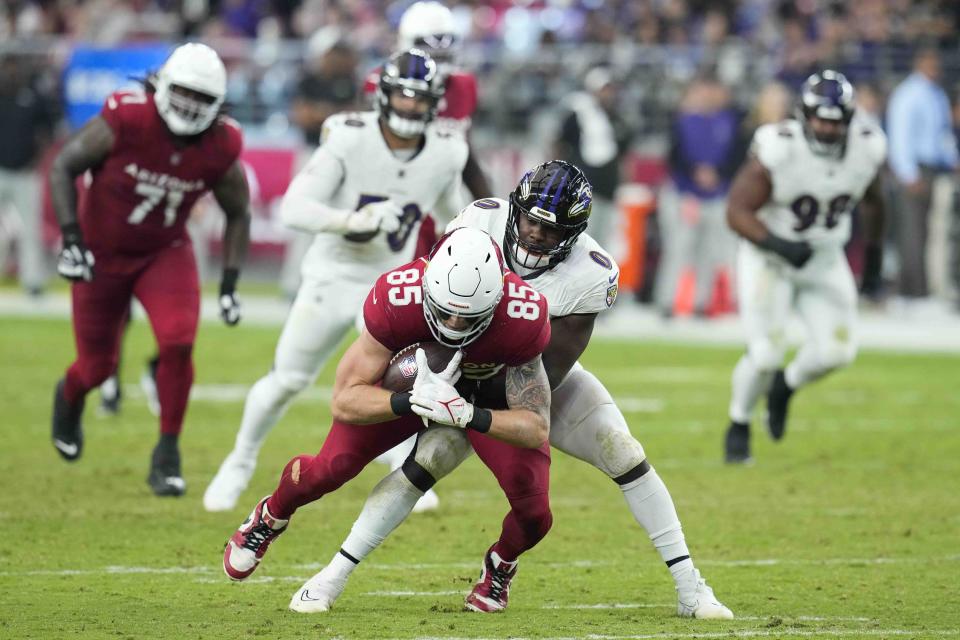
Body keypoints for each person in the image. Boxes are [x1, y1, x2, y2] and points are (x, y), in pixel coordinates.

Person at [275, 161, 732, 618]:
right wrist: (431, 382)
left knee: (623, 453)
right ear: (515, 211)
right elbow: (440, 307)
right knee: (424, 462)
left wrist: (466, 410)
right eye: (531, 221)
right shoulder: (477, 223)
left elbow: (549, 373)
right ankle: (331, 577)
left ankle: (691, 587)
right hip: (450, 367)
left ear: (574, 234)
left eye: (551, 230)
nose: (536, 234)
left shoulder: (589, 274)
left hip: (521, 379)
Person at [222, 227, 554, 614]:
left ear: (497, 299)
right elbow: (345, 400)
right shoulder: (398, 296)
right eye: (445, 309)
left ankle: (501, 564)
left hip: (487, 398)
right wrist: (407, 399)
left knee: (535, 513)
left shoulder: (523, 314)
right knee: (332, 467)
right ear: (428, 282)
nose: (453, 323)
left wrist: (470, 415)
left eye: (468, 317)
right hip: (414, 388)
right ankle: (271, 514)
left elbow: (535, 426)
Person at [202, 49, 469, 512]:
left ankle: (402, 463)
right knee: (288, 378)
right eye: (402, 96)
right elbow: (293, 208)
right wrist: (353, 220)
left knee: (403, 383)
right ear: (383, 96)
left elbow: (455, 218)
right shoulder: (350, 138)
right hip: (334, 274)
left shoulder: (447, 150)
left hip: (393, 285)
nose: (409, 107)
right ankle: (240, 460)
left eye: (419, 99)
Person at [48, 43, 252, 496]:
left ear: (217, 105)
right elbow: (64, 165)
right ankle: (69, 395)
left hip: (164, 249)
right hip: (101, 251)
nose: (190, 106)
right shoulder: (128, 118)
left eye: (203, 98)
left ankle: (167, 452)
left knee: (178, 341)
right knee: (96, 367)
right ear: (162, 86)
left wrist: (231, 282)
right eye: (184, 93)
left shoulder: (221, 143)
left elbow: (238, 210)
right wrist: (72, 239)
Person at [723, 70, 887, 464]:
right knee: (765, 353)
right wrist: (779, 244)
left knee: (837, 352)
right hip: (770, 257)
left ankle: (785, 387)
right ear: (804, 115)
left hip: (825, 258)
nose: (826, 127)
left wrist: (875, 256)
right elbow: (737, 211)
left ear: (848, 119)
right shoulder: (779, 147)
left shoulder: (867, 147)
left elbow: (876, 201)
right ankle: (739, 422)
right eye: (819, 117)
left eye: (834, 119)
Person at [656, 75, 743, 318]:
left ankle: (701, 303)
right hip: (686, 195)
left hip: (717, 194)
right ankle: (667, 301)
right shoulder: (683, 121)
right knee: (679, 249)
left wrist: (718, 174)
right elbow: (673, 157)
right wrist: (694, 175)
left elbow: (737, 156)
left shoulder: (728, 121)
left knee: (710, 252)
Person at [886, 46, 958, 305]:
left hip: (935, 169)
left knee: (929, 233)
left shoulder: (935, 94)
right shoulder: (909, 93)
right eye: (931, 61)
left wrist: (953, 161)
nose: (935, 66)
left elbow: (941, 134)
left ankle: (923, 289)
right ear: (920, 62)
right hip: (915, 169)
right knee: (912, 232)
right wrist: (907, 173)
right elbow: (900, 135)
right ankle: (912, 293)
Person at [552, 66, 632, 249]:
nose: (608, 94)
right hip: (585, 188)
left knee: (601, 242)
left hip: (609, 188)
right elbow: (560, 144)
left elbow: (622, 151)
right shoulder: (578, 114)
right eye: (604, 89)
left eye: (610, 89)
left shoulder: (616, 117)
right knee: (582, 239)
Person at [0, 52, 59, 296]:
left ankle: (32, 281)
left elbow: (51, 128)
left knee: (31, 228)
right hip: (0, 169)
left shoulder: (35, 96)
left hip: (26, 171)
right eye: (7, 66)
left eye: (15, 66)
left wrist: (38, 159)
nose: (11, 71)